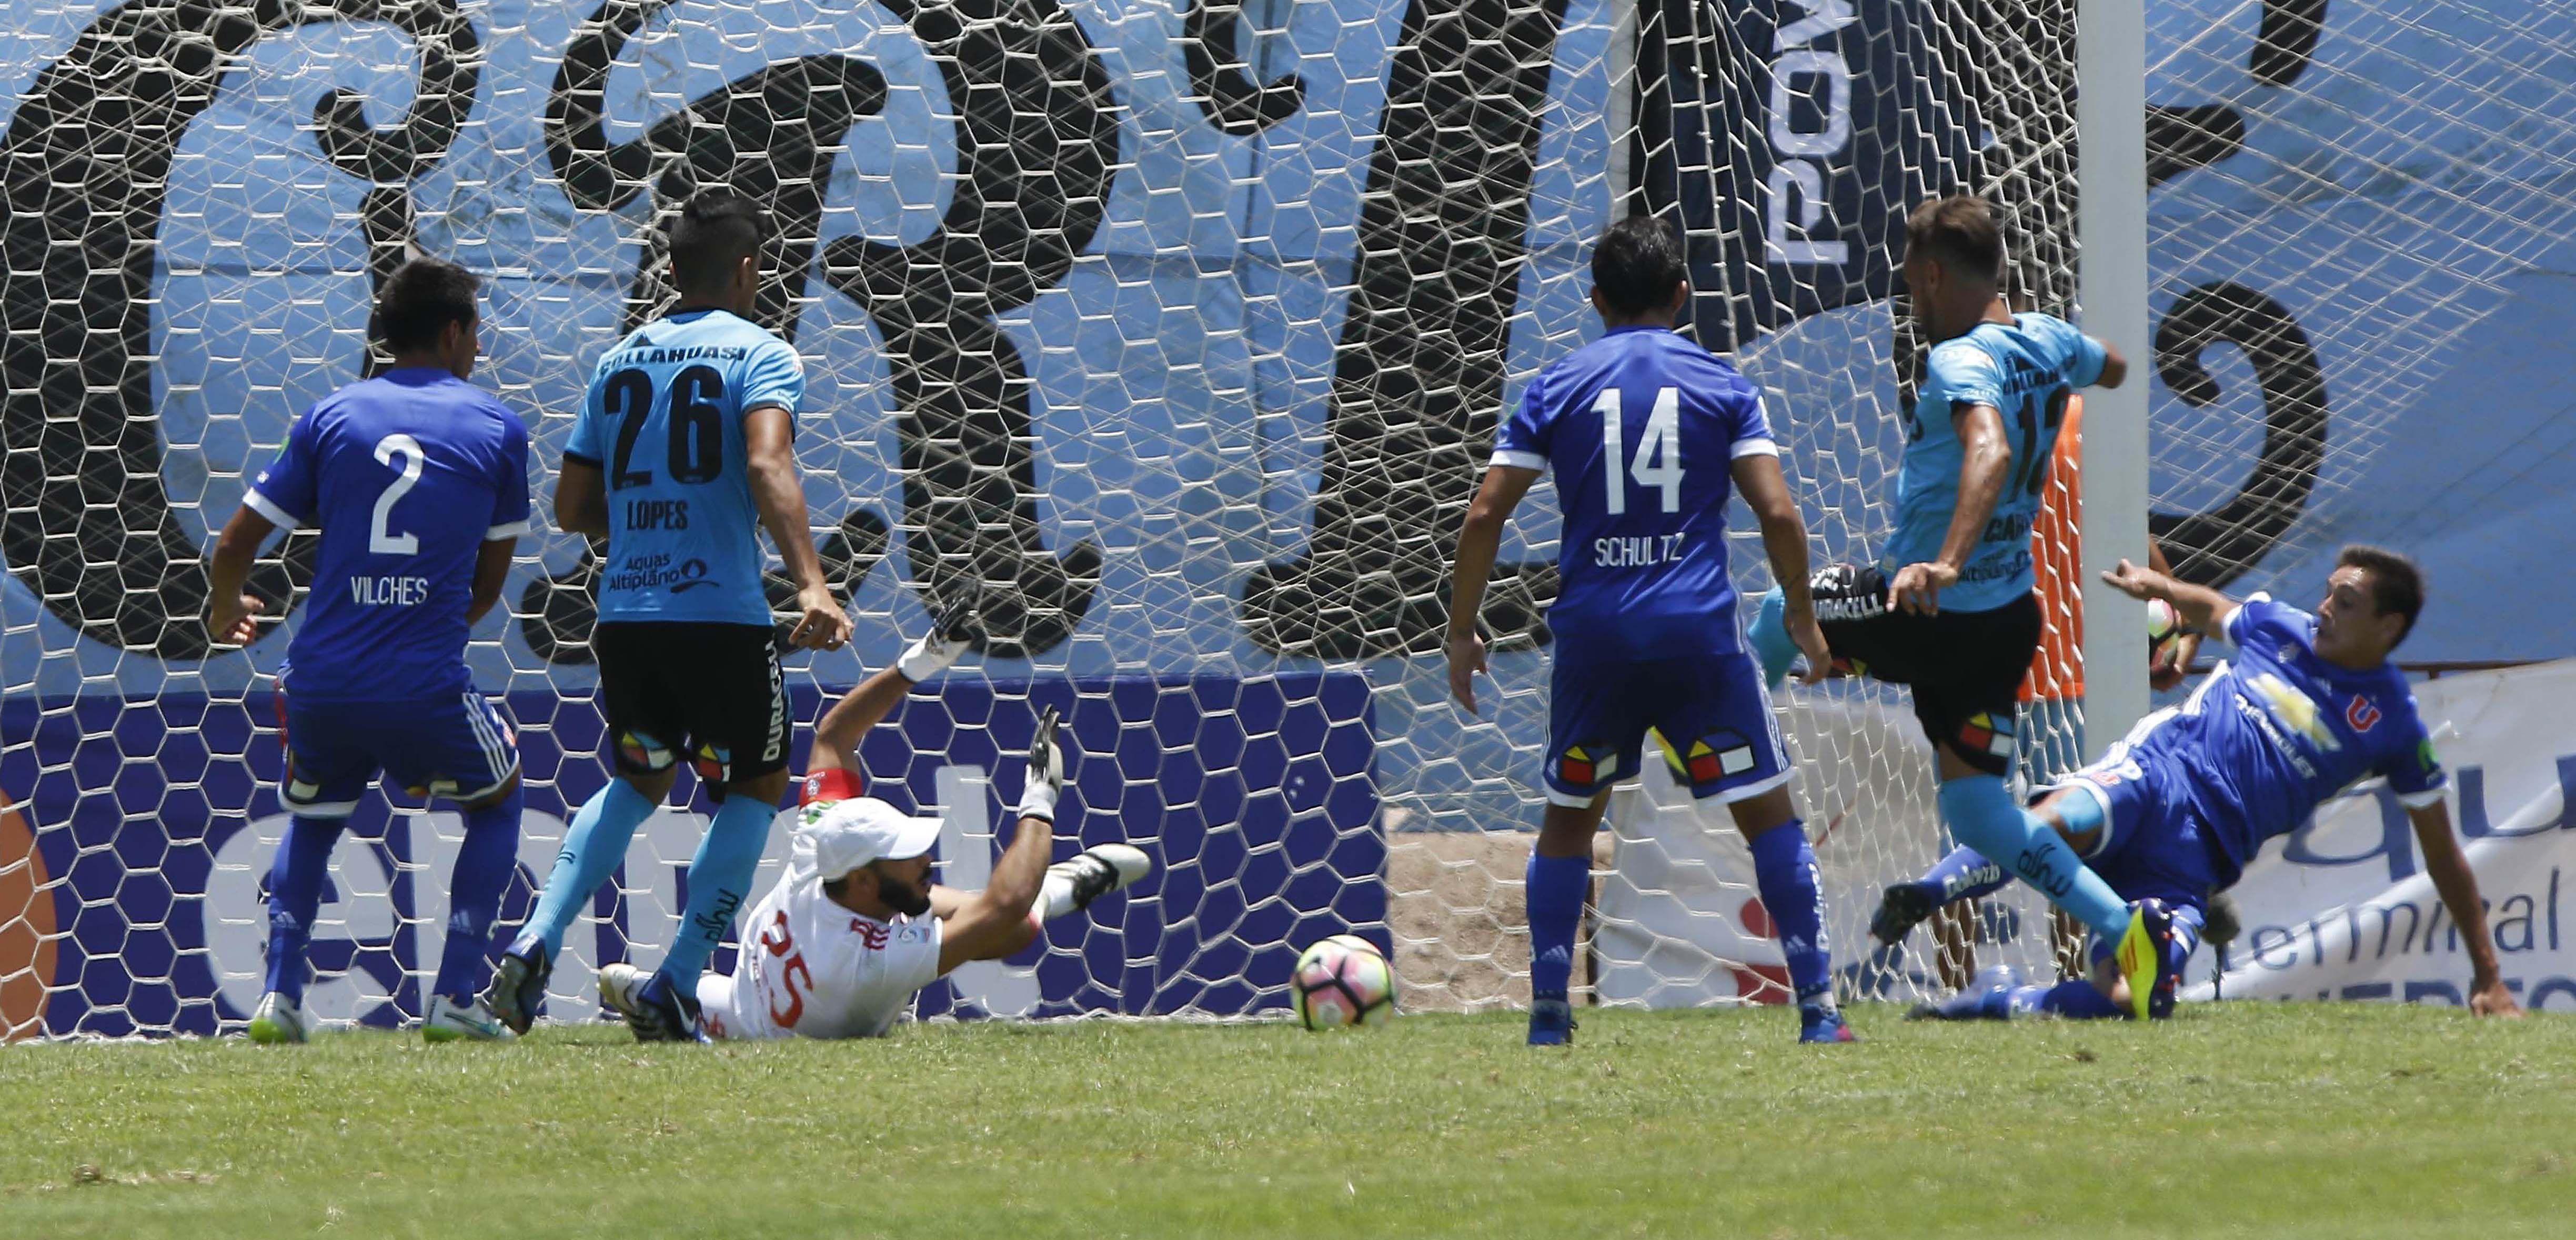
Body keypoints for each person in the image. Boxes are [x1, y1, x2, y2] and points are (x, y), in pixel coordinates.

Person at [1749, 193, 2169, 1008]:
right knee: (1979, 811)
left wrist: (1943, 563)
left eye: (1912, 288)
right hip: (2009, 618)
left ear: (1935, 275)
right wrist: (2075, 365)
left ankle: (1719, 748)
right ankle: (2123, 927)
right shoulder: (2045, 339)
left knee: (1780, 610)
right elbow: (2114, 366)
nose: (1912, 304)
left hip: (1937, 611)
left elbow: (1991, 446)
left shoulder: (1959, 360)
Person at [1445, 215, 1852, 1046]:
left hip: (1596, 641)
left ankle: (1550, 1017)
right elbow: (1778, 510)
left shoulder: (1555, 388)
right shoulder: (1723, 385)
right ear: (1682, 294)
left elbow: (1486, 511)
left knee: (1567, 823)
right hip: (1698, 636)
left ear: (1594, 299)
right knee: (1769, 819)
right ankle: (1817, 1013)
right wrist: (1803, 618)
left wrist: (1462, 631)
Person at [487, 189, 853, 1040]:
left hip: (628, 619)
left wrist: (655, 514)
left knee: (641, 777)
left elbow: (574, 505)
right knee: (757, 783)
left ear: (673, 271)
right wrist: (811, 583)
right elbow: (767, 463)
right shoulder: (763, 353)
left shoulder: (618, 363)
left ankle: (536, 938)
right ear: (749, 271)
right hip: (718, 620)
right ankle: (677, 980)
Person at [1886, 547, 2524, 1021]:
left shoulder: (2394, 724)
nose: (2325, 607)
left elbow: (2442, 853)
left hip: (2197, 858)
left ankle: (1989, 1003)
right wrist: (2156, 585)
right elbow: (2215, 608)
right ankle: (1924, 892)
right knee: (2056, 824)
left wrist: (2489, 976)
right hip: (2157, 776)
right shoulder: (2280, 626)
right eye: (2329, 593)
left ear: (2388, 628)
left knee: (2132, 999)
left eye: (2346, 603)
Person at [206, 257, 531, 1043]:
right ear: (454, 333)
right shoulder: (496, 427)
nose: (479, 350)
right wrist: (418, 640)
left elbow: (237, 542)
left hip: (321, 677)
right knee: (500, 796)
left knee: (315, 815)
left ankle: (280, 1000)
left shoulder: (331, 416)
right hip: (421, 680)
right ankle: (454, 997)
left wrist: (226, 604)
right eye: (476, 333)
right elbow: (485, 588)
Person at [601, 628, 1148, 1040]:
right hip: (757, 1027)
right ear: (863, 880)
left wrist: (919, 662)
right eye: (905, 855)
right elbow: (1003, 908)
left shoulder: (820, 849)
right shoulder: (867, 961)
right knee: (1009, 927)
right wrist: (1040, 797)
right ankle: (1064, 888)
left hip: (745, 996)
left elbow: (835, 734)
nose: (923, 857)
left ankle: (654, 995)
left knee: (628, 982)